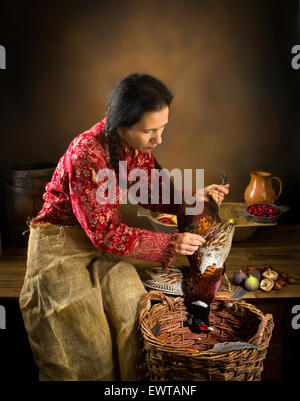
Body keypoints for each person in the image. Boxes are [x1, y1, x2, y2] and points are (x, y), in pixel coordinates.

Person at [19, 73, 229, 381]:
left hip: (106, 246)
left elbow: (152, 190)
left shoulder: (134, 148)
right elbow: (103, 233)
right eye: (150, 131)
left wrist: (193, 198)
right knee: (87, 341)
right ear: (120, 124)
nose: (159, 140)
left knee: (134, 311)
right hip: (59, 245)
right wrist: (170, 244)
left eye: (162, 128)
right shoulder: (86, 153)